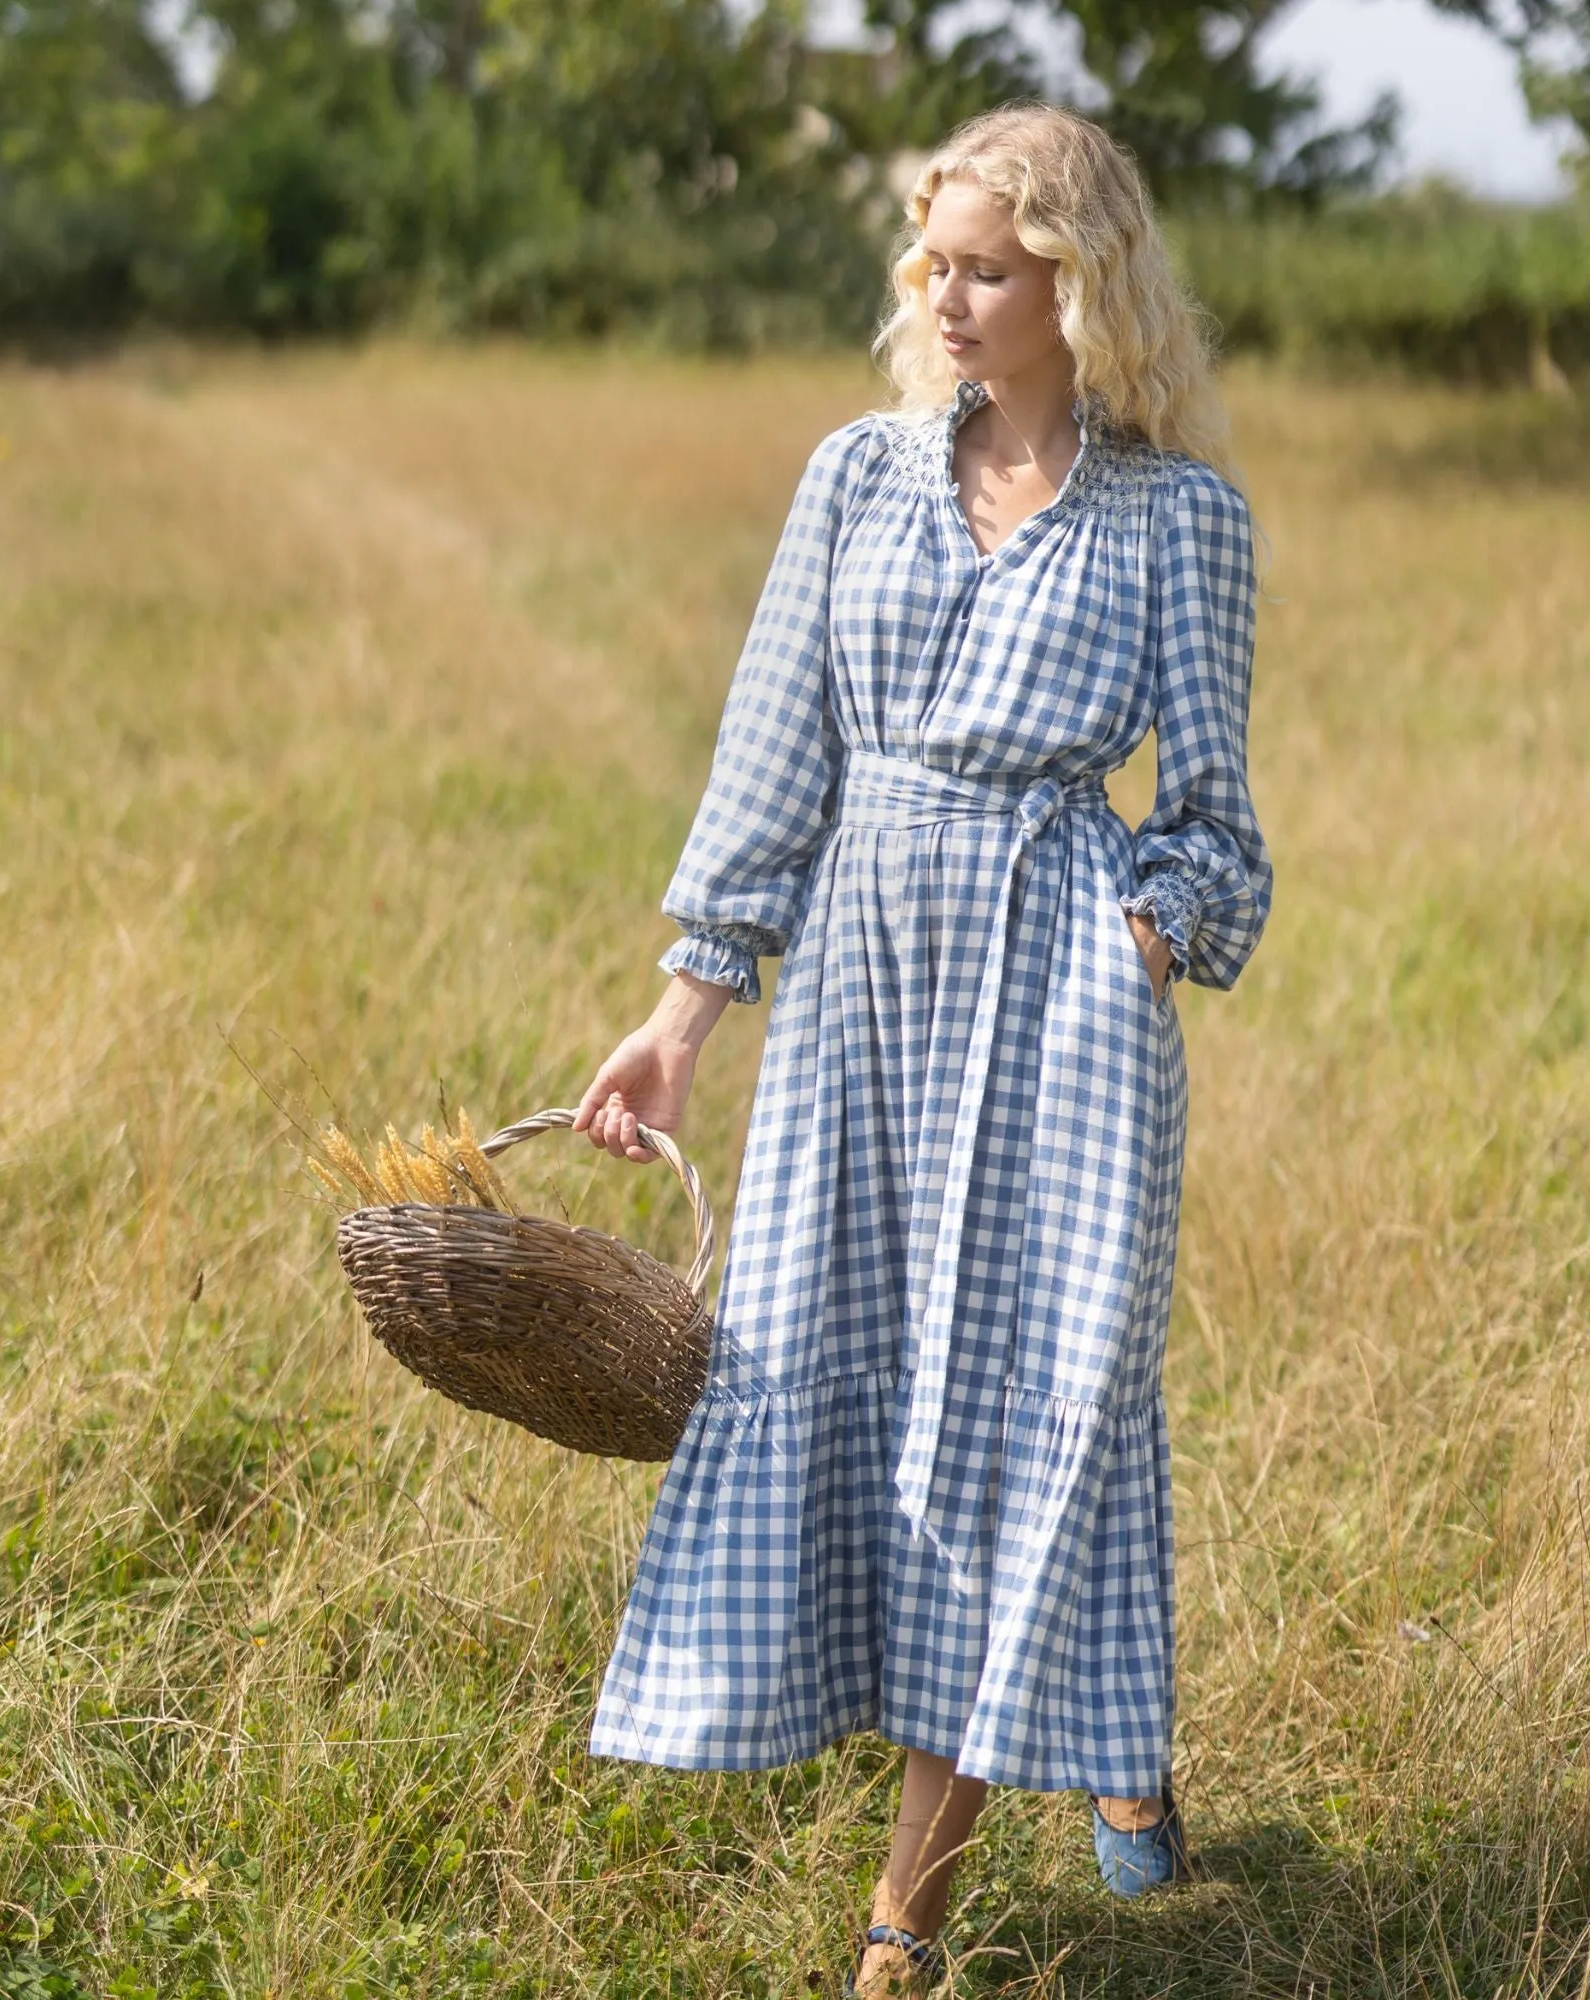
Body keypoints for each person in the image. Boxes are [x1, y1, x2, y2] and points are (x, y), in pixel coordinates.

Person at [572, 101, 1273, 1997]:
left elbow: (1216, 826)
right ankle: (1118, 1744)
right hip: (861, 999)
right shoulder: (855, 480)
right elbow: (772, 756)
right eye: (932, 265)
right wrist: (680, 1021)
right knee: (839, 1380)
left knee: (1024, 1404)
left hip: (1063, 1011)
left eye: (988, 269)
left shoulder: (1181, 523)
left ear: (1081, 284)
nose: (946, 300)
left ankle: (905, 1920)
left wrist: (1141, 937)